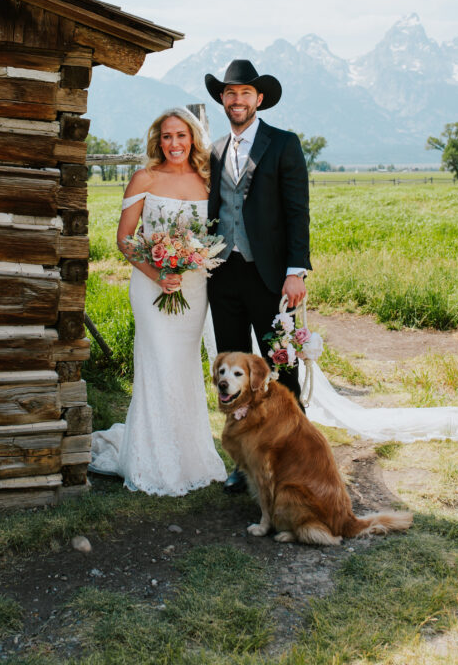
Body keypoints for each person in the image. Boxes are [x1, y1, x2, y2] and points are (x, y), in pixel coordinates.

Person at [89, 107, 227, 496]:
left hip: (194, 286)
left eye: (181, 136)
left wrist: (188, 264)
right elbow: (125, 239)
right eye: (166, 136)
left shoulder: (207, 181)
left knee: (184, 366)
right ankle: (151, 458)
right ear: (157, 140)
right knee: (157, 364)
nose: (174, 144)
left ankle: (189, 455)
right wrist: (157, 273)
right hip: (152, 287)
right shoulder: (144, 178)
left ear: (193, 139)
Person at [204, 59, 312, 492]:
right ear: (223, 100)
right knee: (233, 374)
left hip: (269, 276)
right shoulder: (213, 150)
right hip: (223, 276)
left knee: (280, 368)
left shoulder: (282, 144)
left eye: (245, 93)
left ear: (258, 99)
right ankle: (244, 463)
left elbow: (296, 211)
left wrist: (295, 272)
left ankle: (299, 458)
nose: (237, 100)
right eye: (230, 93)